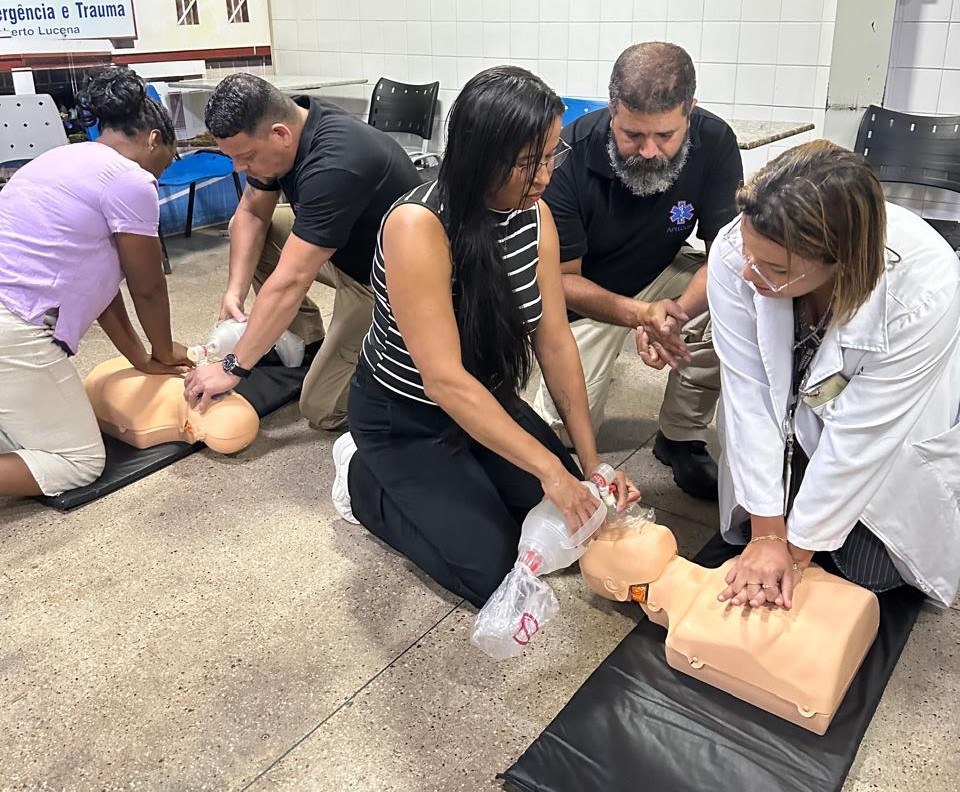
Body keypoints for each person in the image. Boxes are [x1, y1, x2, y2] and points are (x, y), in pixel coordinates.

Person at [330, 67, 642, 607]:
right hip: (407, 416)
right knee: (493, 572)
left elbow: (553, 339)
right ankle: (360, 475)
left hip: (483, 402)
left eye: (551, 156)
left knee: (571, 522)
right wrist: (549, 471)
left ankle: (472, 476)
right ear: (480, 154)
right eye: (528, 162)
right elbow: (444, 381)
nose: (545, 175)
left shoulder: (535, 214)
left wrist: (592, 466)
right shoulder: (418, 225)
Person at [708, 140, 960, 609]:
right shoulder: (735, 253)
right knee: (754, 531)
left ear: (838, 262)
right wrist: (766, 537)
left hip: (882, 433)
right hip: (790, 414)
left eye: (775, 269)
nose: (748, 273)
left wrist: (796, 555)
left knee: (871, 574)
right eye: (749, 254)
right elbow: (749, 391)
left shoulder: (926, 289)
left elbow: (863, 438)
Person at [534, 42, 743, 501]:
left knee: (739, 300)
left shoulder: (717, 142)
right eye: (632, 135)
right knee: (563, 429)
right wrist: (639, 314)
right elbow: (561, 280)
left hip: (664, 272)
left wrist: (677, 313)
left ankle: (681, 434)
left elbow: (725, 255)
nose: (649, 151)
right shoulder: (570, 155)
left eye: (666, 136)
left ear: (691, 109)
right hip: (589, 293)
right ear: (613, 110)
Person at [183, 74, 421, 428]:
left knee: (321, 410)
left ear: (280, 134)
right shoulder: (294, 124)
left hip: (388, 285)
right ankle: (307, 343)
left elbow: (291, 281)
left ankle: (409, 368)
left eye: (245, 157)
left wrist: (234, 366)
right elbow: (248, 213)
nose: (239, 168)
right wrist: (234, 291)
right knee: (266, 228)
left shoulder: (335, 164)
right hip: (347, 251)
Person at [0, 67, 188, 497]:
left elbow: (103, 293)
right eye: (168, 159)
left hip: (7, 319)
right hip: (13, 329)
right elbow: (148, 287)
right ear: (155, 139)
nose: (161, 173)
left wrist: (142, 359)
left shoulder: (58, 158)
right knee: (78, 462)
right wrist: (163, 351)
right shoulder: (131, 180)